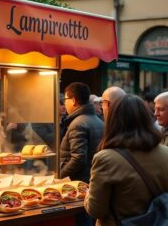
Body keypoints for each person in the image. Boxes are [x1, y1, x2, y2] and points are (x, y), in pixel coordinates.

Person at [85, 94, 168, 226]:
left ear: (113, 121)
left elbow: (96, 211)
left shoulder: (105, 158)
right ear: (146, 119)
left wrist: (88, 193)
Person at [60, 82, 104, 226]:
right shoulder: (97, 120)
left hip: (79, 185)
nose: (64, 104)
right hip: (92, 182)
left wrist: (60, 176)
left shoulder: (77, 123)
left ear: (73, 101)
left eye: (65, 100)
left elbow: (78, 158)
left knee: (82, 221)